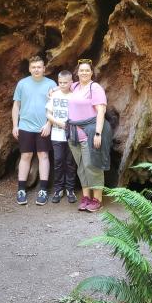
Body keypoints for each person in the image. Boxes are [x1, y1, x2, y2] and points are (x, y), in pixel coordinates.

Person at [66, 59, 112, 212]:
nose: (84, 72)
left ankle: (97, 199)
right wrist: (52, 91)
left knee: (92, 165)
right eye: (81, 70)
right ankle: (86, 197)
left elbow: (101, 111)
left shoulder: (95, 88)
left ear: (92, 72)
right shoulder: (75, 86)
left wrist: (98, 133)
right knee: (81, 167)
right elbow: (62, 86)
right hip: (74, 134)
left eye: (87, 70)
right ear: (77, 73)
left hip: (89, 133)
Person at [12, 55, 56, 206]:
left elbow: (54, 106)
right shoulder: (22, 84)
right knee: (26, 156)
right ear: (30, 69)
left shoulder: (51, 84)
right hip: (25, 126)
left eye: (39, 67)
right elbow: (16, 106)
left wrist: (49, 124)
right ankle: (21, 189)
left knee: (43, 155)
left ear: (44, 68)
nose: (36, 69)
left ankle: (43, 190)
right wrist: (14, 125)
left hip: (43, 127)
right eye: (34, 67)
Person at [46, 70, 77, 204]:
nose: (63, 85)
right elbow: (48, 114)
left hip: (71, 134)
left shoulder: (75, 95)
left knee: (70, 163)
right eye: (60, 83)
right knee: (58, 161)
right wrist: (59, 123)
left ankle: (70, 189)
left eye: (66, 82)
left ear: (71, 82)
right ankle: (58, 189)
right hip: (57, 134)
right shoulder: (54, 95)